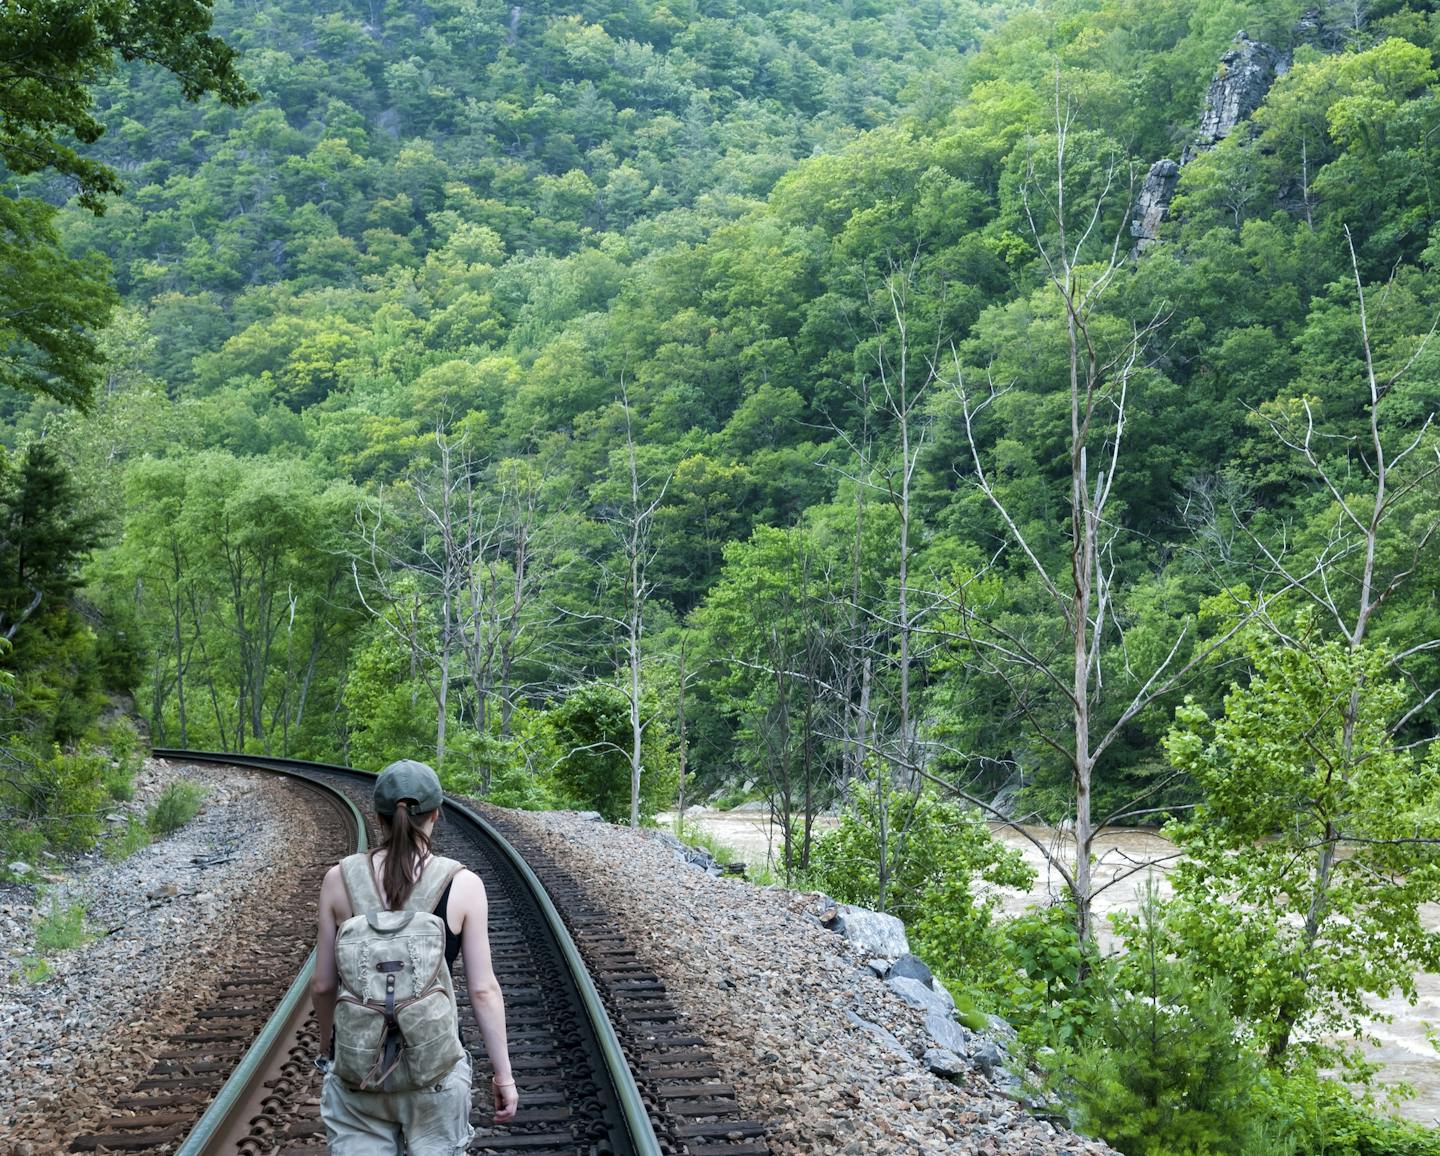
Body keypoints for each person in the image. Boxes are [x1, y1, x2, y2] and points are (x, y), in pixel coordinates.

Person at [312, 759, 518, 1153]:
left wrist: (330, 1051)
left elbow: (323, 985)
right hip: (434, 1073)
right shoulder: (463, 884)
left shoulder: (338, 880)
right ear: (436, 814)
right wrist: (503, 1075)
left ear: (379, 816)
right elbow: (483, 991)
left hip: (359, 1074)